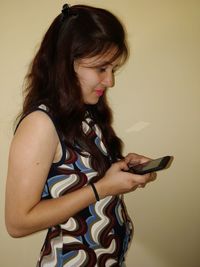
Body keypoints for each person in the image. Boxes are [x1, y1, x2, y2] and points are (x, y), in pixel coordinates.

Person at [5, 4, 156, 267]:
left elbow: (79, 176)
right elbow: (17, 223)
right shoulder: (41, 124)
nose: (110, 81)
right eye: (101, 68)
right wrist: (103, 188)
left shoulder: (83, 112)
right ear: (67, 64)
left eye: (113, 70)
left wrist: (119, 168)